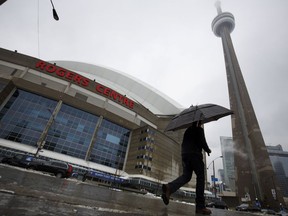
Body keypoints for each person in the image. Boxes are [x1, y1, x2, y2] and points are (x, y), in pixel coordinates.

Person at [162, 121, 212, 215]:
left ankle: (169, 187)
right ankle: (200, 207)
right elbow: (202, 142)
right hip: (195, 155)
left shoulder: (188, 130)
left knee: (186, 176)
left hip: (185, 155)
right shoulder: (199, 130)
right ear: (199, 122)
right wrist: (208, 150)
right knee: (201, 178)